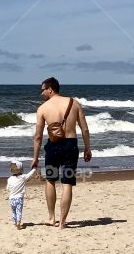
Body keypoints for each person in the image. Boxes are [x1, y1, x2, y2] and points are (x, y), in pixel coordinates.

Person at [31, 77, 91, 228]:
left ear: (50, 89)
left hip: (53, 146)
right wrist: (87, 148)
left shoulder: (43, 109)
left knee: (50, 180)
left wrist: (35, 158)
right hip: (71, 145)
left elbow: (38, 136)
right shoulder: (74, 103)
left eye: (42, 90)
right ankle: (62, 222)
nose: (41, 93)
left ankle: (51, 218)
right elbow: (84, 129)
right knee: (67, 182)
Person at [5, 161, 39, 229]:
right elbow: (30, 174)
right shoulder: (22, 177)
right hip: (19, 198)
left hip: (11, 198)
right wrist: (34, 169)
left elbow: (7, 188)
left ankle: (15, 222)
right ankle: (18, 223)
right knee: (19, 211)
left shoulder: (9, 179)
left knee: (13, 211)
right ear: (21, 169)